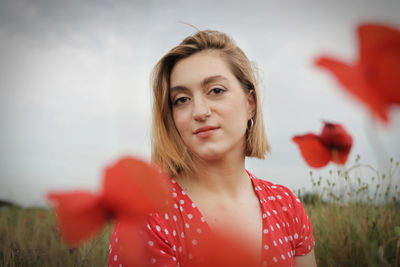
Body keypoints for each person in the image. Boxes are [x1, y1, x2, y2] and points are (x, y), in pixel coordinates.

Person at [108, 29, 317, 267]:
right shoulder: (148, 217)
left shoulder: (287, 205)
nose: (199, 111)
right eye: (182, 100)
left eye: (216, 90)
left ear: (250, 103)